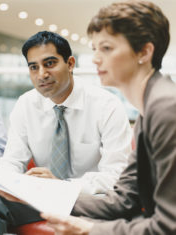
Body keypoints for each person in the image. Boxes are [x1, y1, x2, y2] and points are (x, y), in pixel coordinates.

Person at [0, 31, 133, 234]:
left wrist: (63, 186)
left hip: (88, 200)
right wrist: (1, 181)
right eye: (34, 67)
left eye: (49, 63)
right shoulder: (25, 104)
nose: (41, 74)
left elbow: (117, 175)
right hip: (41, 199)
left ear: (71, 63)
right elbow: (12, 161)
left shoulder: (106, 105)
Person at [41, 1, 176, 234]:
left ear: (144, 51)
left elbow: (168, 225)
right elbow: (125, 198)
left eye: (106, 48)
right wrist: (50, 195)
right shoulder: (150, 105)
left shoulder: (166, 108)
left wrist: (89, 230)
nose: (95, 58)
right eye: (94, 49)